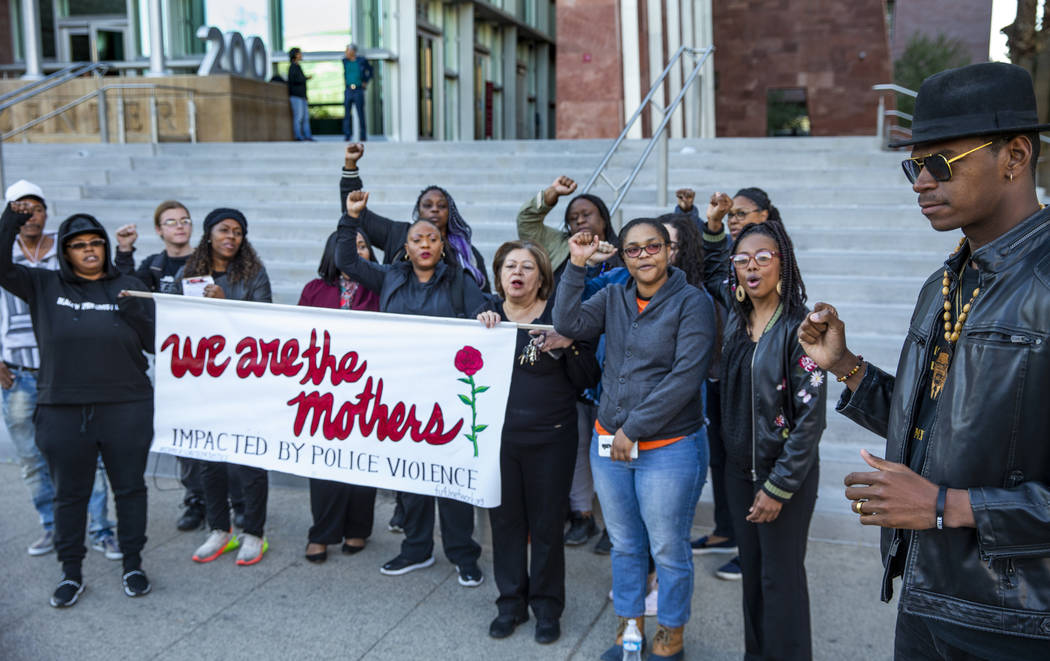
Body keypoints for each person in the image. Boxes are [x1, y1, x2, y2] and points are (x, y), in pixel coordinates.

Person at [799, 62, 1050, 660]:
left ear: (1015, 156)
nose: (919, 181)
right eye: (914, 165)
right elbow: (945, 425)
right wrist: (847, 367)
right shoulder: (947, 279)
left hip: (1016, 625)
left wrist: (944, 506)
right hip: (925, 595)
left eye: (941, 162)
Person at [553, 219, 715, 661]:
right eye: (633, 249)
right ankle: (630, 628)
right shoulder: (614, 295)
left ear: (669, 251)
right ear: (623, 256)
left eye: (653, 247)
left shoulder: (692, 302)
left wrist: (633, 428)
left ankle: (670, 635)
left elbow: (686, 377)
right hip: (609, 446)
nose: (644, 255)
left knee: (667, 546)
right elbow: (568, 321)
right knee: (625, 544)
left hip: (669, 448)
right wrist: (576, 265)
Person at [0, 202, 156, 608]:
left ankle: (133, 565)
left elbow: (157, 343)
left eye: (95, 243)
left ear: (105, 247)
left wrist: (136, 310)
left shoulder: (129, 284)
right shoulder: (44, 285)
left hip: (126, 407)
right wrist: (12, 219)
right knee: (69, 495)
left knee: (129, 489)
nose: (89, 250)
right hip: (63, 410)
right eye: (78, 245)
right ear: (65, 253)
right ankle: (71, 573)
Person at [338, 189, 487, 585]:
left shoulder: (460, 282)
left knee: (451, 481)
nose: (425, 244)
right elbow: (346, 260)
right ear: (405, 247)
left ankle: (462, 554)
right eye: (417, 239)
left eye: (432, 239)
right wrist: (351, 219)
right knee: (412, 478)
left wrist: (488, 315)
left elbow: (484, 311)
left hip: (448, 399)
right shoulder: (389, 277)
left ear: (443, 245)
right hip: (401, 397)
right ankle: (416, 549)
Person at [707, 219, 826, 660]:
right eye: (743, 259)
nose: (751, 267)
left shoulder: (801, 329)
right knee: (754, 577)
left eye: (763, 257)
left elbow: (811, 421)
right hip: (739, 474)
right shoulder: (738, 315)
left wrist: (777, 488)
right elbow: (713, 267)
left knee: (782, 581)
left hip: (783, 479)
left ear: (784, 263)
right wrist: (716, 231)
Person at [476, 240, 600, 644]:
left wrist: (568, 345)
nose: (518, 273)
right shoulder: (483, 318)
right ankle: (510, 604)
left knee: (547, 527)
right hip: (499, 441)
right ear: (499, 275)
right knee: (506, 524)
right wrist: (479, 328)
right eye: (510, 266)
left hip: (552, 440)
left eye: (527, 267)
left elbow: (587, 379)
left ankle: (547, 607)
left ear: (542, 277)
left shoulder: (560, 317)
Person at [0, 180, 120, 561]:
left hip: (68, 372)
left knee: (90, 455)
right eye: (20, 208)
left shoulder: (67, 250)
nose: (30, 214)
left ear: (46, 212)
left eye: (35, 207)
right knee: (32, 459)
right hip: (18, 373)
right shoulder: (5, 254)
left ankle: (102, 531)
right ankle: (52, 528)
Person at [518, 175, 619, 554]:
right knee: (578, 442)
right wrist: (550, 196)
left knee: (610, 446)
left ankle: (615, 523)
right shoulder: (560, 247)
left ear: (604, 219)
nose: (580, 221)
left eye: (587, 214)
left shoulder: (624, 251)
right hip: (570, 361)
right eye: (574, 216)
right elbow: (526, 224)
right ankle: (581, 515)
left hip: (611, 362)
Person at [697, 186, 784, 581]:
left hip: (760, 387)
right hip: (723, 374)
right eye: (731, 215)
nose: (735, 218)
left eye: (742, 213)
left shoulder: (778, 275)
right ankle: (729, 533)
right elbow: (716, 269)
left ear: (766, 215)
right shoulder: (735, 283)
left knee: (752, 466)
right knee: (724, 459)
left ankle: (753, 550)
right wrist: (714, 223)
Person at [177, 208, 273, 566]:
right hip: (204, 380)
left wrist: (225, 306)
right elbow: (177, 322)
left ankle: (254, 533)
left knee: (250, 460)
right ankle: (219, 528)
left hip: (246, 379)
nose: (231, 237)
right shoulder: (186, 273)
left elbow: (265, 324)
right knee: (210, 460)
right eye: (224, 230)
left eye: (238, 231)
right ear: (209, 234)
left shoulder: (254, 274)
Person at [113, 200, 207, 532]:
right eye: (171, 222)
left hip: (214, 363)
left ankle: (232, 499)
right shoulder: (153, 266)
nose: (179, 226)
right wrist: (124, 251)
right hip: (173, 364)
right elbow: (124, 290)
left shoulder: (209, 260)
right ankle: (196, 498)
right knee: (184, 433)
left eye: (185, 220)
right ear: (159, 230)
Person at [298, 230, 380, 563]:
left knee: (363, 460)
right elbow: (298, 336)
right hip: (324, 389)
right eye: (350, 246)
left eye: (363, 246)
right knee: (324, 461)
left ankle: (358, 528)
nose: (357, 251)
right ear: (334, 251)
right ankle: (322, 532)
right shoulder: (314, 290)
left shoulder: (382, 288)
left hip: (369, 387)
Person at [339, 143, 489, 292]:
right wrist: (350, 165)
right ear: (418, 211)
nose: (435, 209)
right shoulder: (398, 233)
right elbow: (357, 212)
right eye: (428, 205)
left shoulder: (468, 253)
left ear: (451, 212)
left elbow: (483, 296)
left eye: (442, 206)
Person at [342, 43, 373, 142]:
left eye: (347, 50)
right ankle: (347, 135)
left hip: (358, 90)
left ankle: (363, 136)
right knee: (347, 114)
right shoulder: (345, 61)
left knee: (361, 114)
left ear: (353, 51)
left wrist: (365, 81)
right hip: (348, 90)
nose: (346, 52)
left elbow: (371, 71)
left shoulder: (361, 61)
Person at [287, 47, 313, 142]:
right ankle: (298, 137)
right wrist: (305, 78)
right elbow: (293, 81)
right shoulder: (292, 67)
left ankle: (307, 136)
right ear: (295, 55)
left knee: (305, 117)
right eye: (299, 53)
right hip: (296, 96)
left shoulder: (298, 67)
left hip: (302, 96)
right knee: (298, 117)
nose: (301, 55)